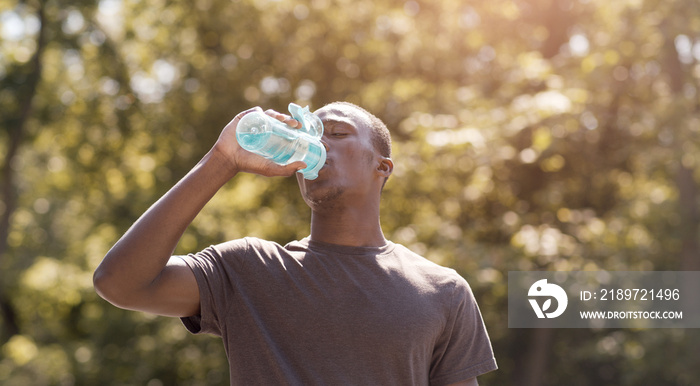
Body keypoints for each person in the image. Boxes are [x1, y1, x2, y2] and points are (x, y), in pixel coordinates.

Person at [93, 102, 498, 385]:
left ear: (382, 167)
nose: (317, 145)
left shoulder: (444, 291)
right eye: (309, 135)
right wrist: (222, 158)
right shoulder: (248, 269)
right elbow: (119, 283)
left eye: (337, 133)